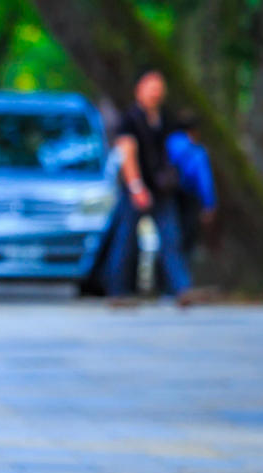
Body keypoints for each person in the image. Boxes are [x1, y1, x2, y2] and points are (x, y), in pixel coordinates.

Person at [105, 69, 194, 302]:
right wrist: (136, 187)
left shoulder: (165, 118)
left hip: (161, 189)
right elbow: (127, 152)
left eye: (159, 87)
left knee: (170, 238)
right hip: (136, 189)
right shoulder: (130, 119)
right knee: (125, 240)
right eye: (150, 86)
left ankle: (181, 288)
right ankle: (117, 290)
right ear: (139, 89)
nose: (155, 92)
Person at [166, 111, 216, 263]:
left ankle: (166, 277)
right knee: (186, 239)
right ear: (194, 130)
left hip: (166, 196)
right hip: (188, 198)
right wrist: (209, 205)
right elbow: (204, 180)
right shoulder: (196, 151)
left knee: (168, 236)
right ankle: (182, 279)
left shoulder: (167, 143)